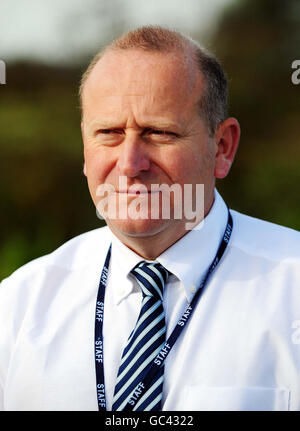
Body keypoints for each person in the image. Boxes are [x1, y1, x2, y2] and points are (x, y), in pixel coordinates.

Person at [0, 25, 300, 412]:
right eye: (108, 133)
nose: (129, 164)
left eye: (158, 133)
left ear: (222, 148)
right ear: (84, 147)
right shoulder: (18, 306)